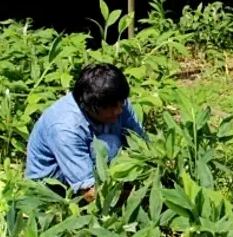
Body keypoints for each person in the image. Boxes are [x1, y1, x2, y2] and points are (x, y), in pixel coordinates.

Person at [26, 63, 147, 202]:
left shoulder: (117, 103)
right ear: (91, 107)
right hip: (53, 186)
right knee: (107, 145)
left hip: (86, 164)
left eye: (121, 103)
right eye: (112, 107)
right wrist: (139, 197)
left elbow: (142, 143)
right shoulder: (65, 128)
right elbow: (90, 193)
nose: (119, 110)